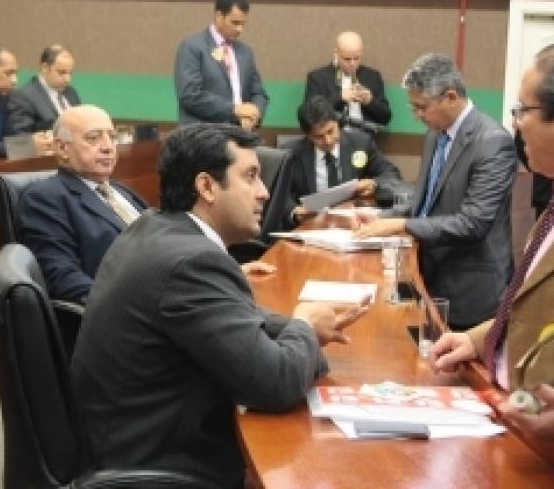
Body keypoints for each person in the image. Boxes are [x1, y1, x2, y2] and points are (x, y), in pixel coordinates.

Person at [71, 122, 369, 488]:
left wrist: (296, 326)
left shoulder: (153, 228)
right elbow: (275, 385)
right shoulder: (191, 262)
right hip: (166, 465)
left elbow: (235, 316)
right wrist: (304, 327)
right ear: (207, 186)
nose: (264, 192)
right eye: (251, 177)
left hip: (126, 440)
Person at [355, 53, 517, 329]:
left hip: (471, 288)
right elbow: (426, 201)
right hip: (430, 275)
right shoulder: (435, 134)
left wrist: (401, 225)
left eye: (422, 107)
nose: (417, 116)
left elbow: (473, 223)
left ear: (451, 97)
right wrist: (383, 218)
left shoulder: (492, 142)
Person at [430, 46, 554, 400]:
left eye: (523, 110)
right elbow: (532, 310)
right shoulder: (549, 214)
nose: (516, 122)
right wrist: (476, 339)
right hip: (501, 398)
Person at [17, 105, 147, 303]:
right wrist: (130, 305)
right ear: (62, 148)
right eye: (93, 138)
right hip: (127, 309)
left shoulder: (122, 191)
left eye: (112, 137)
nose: (108, 147)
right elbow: (63, 279)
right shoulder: (45, 199)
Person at [285, 95, 404, 225]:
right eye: (319, 137)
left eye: (330, 131)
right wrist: (294, 211)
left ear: (337, 123)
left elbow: (391, 173)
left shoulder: (361, 143)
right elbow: (279, 195)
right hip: (312, 224)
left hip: (354, 221)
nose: (328, 140)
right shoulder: (291, 154)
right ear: (308, 135)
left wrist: (373, 183)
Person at [174, 0, 269, 130]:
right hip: (203, 134)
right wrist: (235, 110)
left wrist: (254, 114)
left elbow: (258, 93)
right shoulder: (192, 47)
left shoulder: (245, 52)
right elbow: (190, 96)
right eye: (235, 23)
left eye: (243, 24)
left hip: (241, 132)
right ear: (218, 16)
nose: (240, 29)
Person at [304, 31, 391, 127]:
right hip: (333, 134)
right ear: (336, 54)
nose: (352, 63)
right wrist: (340, 97)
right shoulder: (317, 78)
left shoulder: (373, 76)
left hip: (366, 133)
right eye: (347, 59)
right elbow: (309, 115)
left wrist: (370, 101)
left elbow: (386, 118)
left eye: (357, 58)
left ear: (361, 53)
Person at [7, 44, 80, 134]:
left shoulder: (71, 93)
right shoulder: (23, 97)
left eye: (70, 73)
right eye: (62, 72)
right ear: (45, 68)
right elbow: (21, 137)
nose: (67, 79)